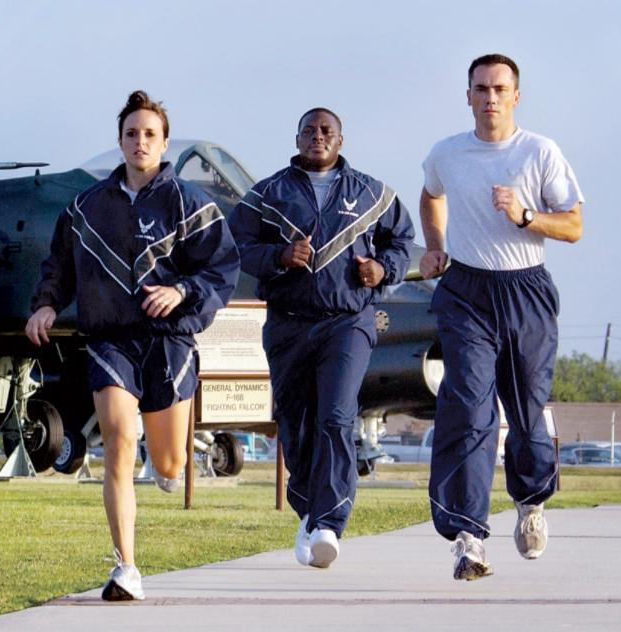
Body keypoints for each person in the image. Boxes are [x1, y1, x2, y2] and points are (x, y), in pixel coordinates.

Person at [25, 90, 240, 600]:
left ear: (163, 142)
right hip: (110, 340)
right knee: (119, 443)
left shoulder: (190, 203)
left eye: (149, 133)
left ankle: (168, 463)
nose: (139, 141)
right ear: (120, 141)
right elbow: (59, 265)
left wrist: (183, 290)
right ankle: (126, 568)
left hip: (169, 340)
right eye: (131, 133)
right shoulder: (83, 208)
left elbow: (222, 268)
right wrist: (47, 304)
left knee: (169, 464)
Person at [419, 54, 584, 580]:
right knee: (467, 408)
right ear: (467, 96)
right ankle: (468, 537)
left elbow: (575, 225)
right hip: (466, 289)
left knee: (528, 415)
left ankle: (531, 501)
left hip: (526, 288)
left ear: (516, 96)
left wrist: (526, 215)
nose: (490, 97)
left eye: (500, 88)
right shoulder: (447, 153)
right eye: (481, 88)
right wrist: (435, 245)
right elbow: (430, 195)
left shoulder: (540, 151)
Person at [229, 107, 414, 569]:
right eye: (309, 130)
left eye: (326, 131)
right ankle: (309, 511)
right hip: (289, 323)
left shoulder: (373, 193)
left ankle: (330, 522)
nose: (317, 137)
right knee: (295, 420)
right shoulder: (268, 194)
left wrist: (382, 270)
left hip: (348, 322)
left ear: (341, 140)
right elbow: (234, 246)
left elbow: (403, 240)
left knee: (336, 417)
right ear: (296, 138)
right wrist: (277, 255)